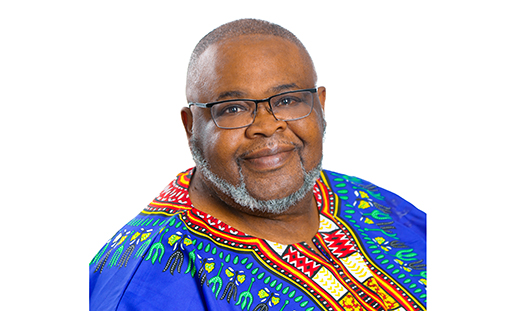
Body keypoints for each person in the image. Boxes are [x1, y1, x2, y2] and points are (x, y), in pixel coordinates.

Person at [89, 18, 426, 311]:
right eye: (233, 108)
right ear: (191, 125)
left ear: (320, 105)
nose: (266, 125)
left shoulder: (373, 205)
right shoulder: (143, 284)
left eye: (288, 100)